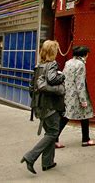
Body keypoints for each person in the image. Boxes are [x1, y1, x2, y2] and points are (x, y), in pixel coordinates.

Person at [21, 40, 65, 174]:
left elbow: (31, 88)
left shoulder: (38, 66)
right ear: (53, 52)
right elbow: (52, 80)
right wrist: (61, 77)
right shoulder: (52, 65)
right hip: (50, 107)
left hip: (39, 106)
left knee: (50, 133)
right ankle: (30, 156)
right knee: (53, 133)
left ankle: (48, 163)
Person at [56, 45, 95, 147]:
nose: (88, 56)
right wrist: (83, 99)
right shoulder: (80, 64)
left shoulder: (68, 62)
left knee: (80, 116)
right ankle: (54, 139)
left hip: (67, 93)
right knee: (68, 117)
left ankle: (85, 139)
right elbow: (80, 83)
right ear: (84, 54)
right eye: (87, 54)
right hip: (77, 95)